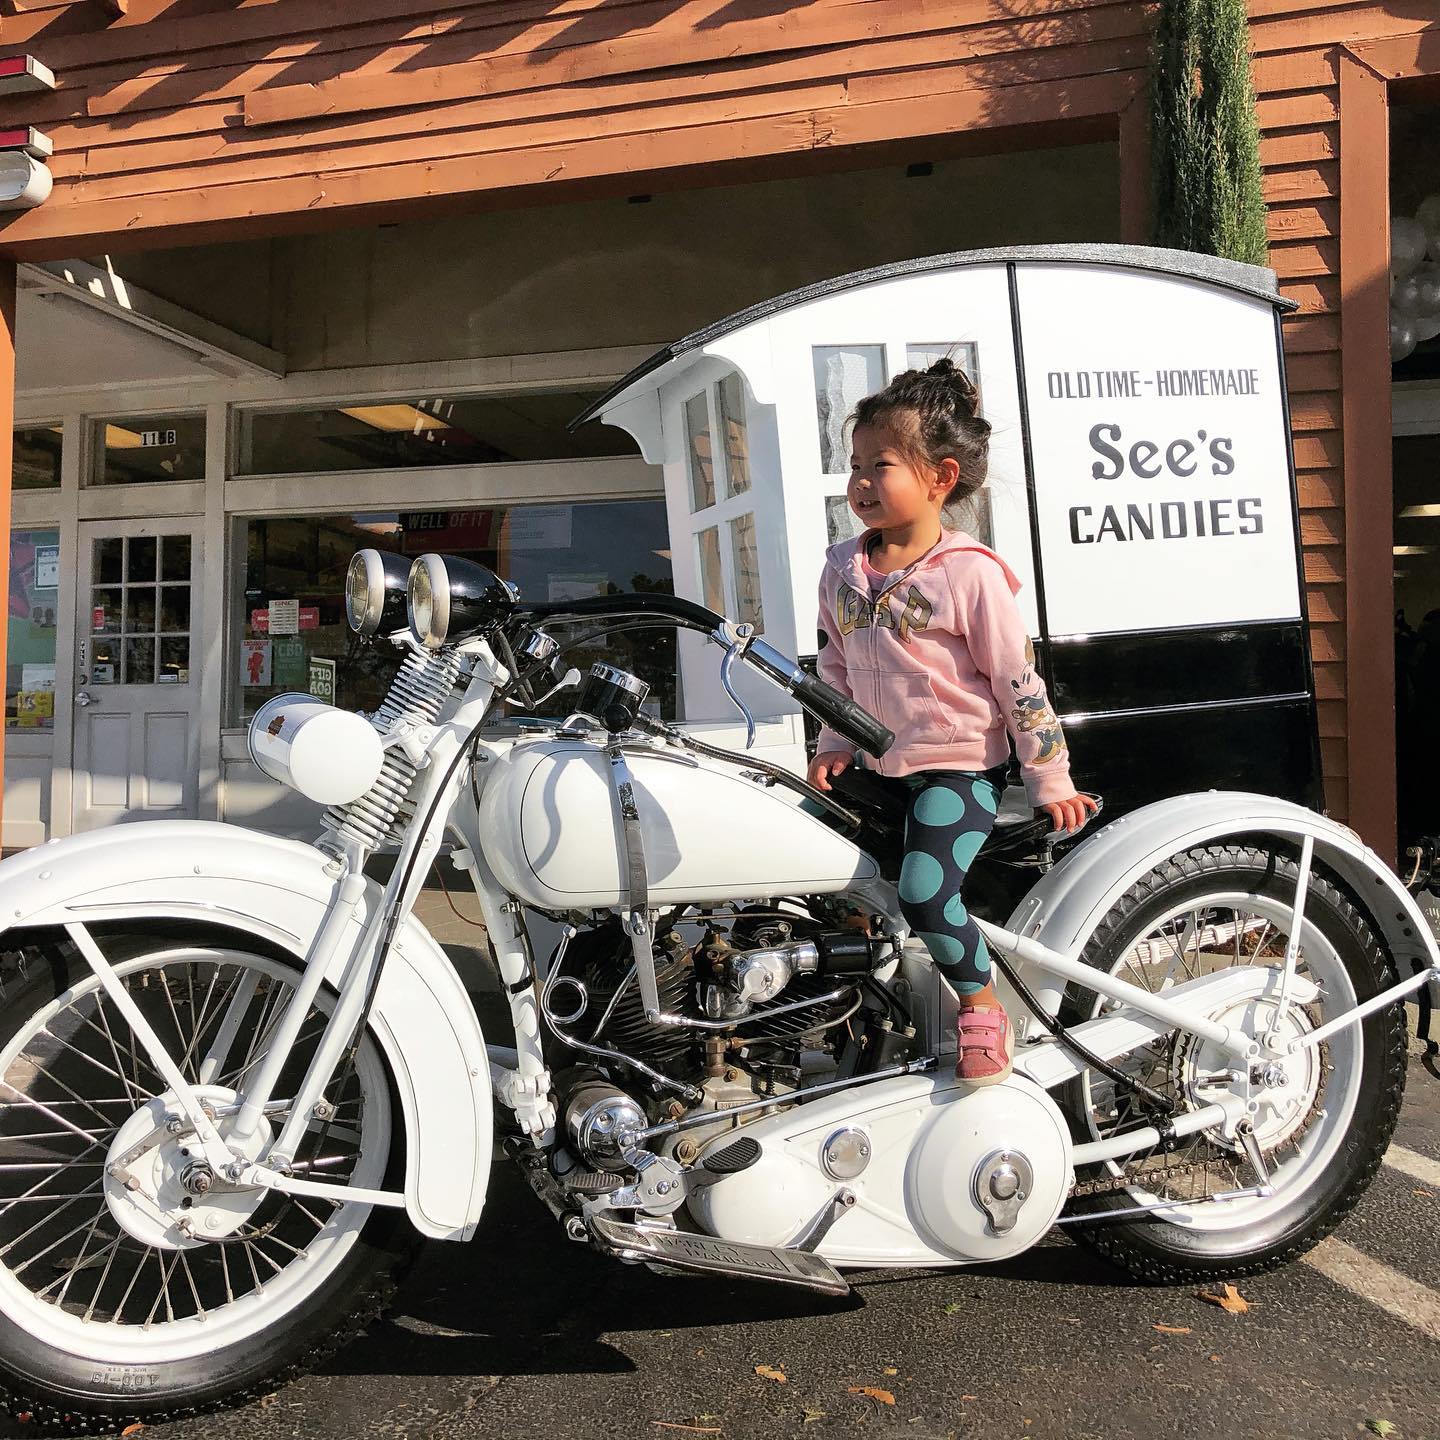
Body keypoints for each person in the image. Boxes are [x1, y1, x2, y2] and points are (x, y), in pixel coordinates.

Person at [807, 359, 1099, 1084]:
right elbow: (833, 668)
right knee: (816, 871)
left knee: (924, 892)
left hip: (957, 765)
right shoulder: (842, 569)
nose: (862, 483)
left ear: (939, 478)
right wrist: (834, 740)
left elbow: (1016, 681)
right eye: (854, 467)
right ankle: (857, 999)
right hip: (875, 763)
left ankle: (980, 1006)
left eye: (881, 465)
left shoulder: (969, 573)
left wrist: (1049, 777)